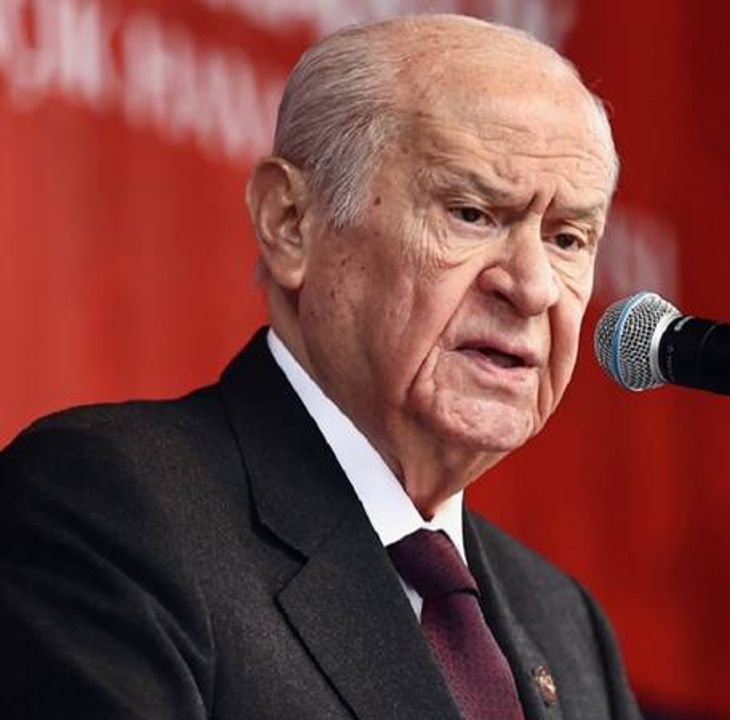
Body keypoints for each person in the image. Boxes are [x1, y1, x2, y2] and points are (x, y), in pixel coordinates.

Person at [0, 14, 641, 719]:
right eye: (471, 213)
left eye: (567, 239)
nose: (533, 287)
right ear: (291, 222)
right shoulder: (111, 509)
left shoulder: (565, 624)